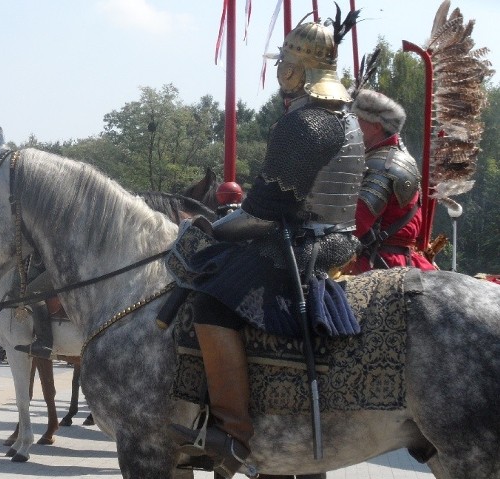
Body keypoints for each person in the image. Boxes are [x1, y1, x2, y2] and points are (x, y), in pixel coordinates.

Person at [165, 12, 362, 475]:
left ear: (295, 70)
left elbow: (260, 215)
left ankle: (233, 433)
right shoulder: (346, 118)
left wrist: (210, 228)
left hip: (301, 246)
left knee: (211, 299)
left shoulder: (303, 124)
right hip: (335, 239)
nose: (279, 73)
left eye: (282, 64)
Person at [348, 89, 437, 272]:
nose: (352, 126)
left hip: (381, 264)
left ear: (376, 126)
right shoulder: (388, 157)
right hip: (392, 258)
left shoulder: (383, 164)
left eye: (357, 119)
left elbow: (357, 223)